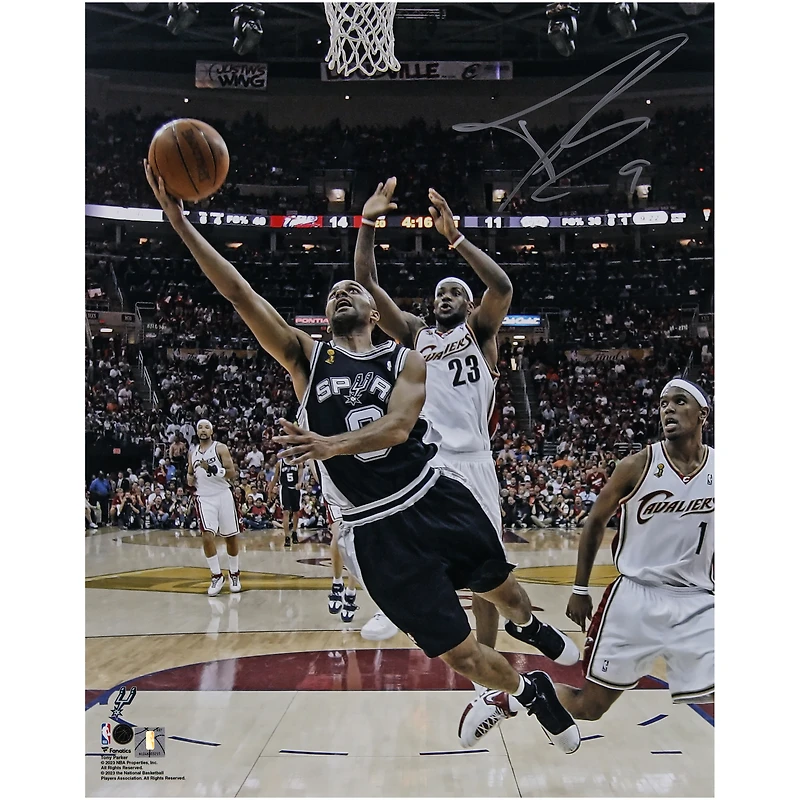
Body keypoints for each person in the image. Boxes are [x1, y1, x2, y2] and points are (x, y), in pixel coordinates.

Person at [143, 160, 581, 755]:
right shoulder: (306, 357)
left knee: (503, 591)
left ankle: (531, 626)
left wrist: (327, 445)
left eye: (351, 288)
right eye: (332, 294)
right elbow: (237, 291)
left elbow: (400, 427)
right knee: (457, 651)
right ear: (324, 318)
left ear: (375, 312)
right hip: (373, 530)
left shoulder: (408, 357)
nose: (342, 291)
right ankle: (530, 693)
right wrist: (179, 221)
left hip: (432, 495)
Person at [354, 178, 579, 687]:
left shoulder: (480, 333)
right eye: (442, 293)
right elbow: (367, 284)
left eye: (457, 291)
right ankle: (398, 611)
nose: (450, 296)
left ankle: (488, 677)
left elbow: (501, 288)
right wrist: (367, 223)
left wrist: (455, 238)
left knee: (486, 576)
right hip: (430, 464)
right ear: (432, 304)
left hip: (475, 462)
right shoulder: (416, 335)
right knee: (406, 548)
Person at [459, 377, 714, 742]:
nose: (668, 409)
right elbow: (594, 522)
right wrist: (580, 588)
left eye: (679, 402)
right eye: (662, 404)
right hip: (636, 598)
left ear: (703, 413)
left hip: (697, 600)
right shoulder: (638, 465)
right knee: (590, 706)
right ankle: (512, 698)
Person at [188, 418, 243, 596]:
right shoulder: (192, 452)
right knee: (206, 535)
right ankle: (216, 575)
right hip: (204, 497)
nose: (203, 430)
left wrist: (212, 469)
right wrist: (189, 478)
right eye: (200, 427)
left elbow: (232, 473)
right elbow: (190, 473)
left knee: (231, 537)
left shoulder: (220, 448)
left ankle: (234, 573)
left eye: (206, 427)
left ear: (211, 431)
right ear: (197, 432)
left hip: (223, 494)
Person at [268, 457, 302, 547]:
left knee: (296, 512)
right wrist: (270, 490)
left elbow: (300, 475)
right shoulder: (280, 463)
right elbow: (275, 477)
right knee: (286, 512)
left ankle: (294, 532)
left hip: (295, 489)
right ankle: (287, 536)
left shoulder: (298, 462)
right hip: (285, 489)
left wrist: (299, 483)